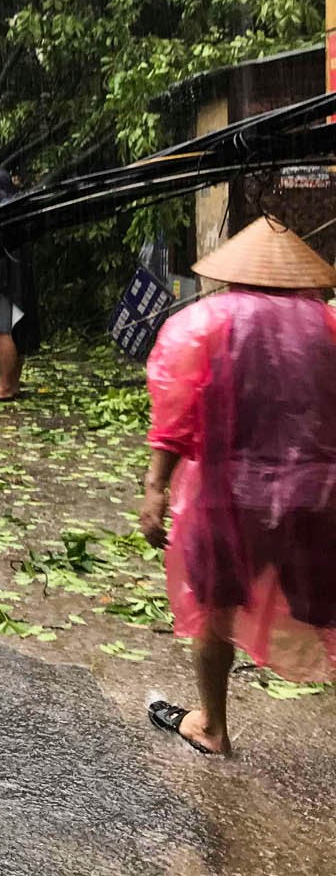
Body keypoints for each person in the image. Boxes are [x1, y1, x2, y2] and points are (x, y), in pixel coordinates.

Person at [141, 218, 336, 757]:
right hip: (317, 497)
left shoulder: (204, 324)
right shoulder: (330, 326)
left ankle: (212, 726)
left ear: (234, 274)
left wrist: (156, 488)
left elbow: (175, 418)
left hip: (230, 496)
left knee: (216, 609)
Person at [0, 168, 41, 401]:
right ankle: (13, 384)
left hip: (3, 280)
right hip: (22, 279)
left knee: (3, 330)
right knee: (17, 329)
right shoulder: (20, 211)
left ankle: (4, 386)